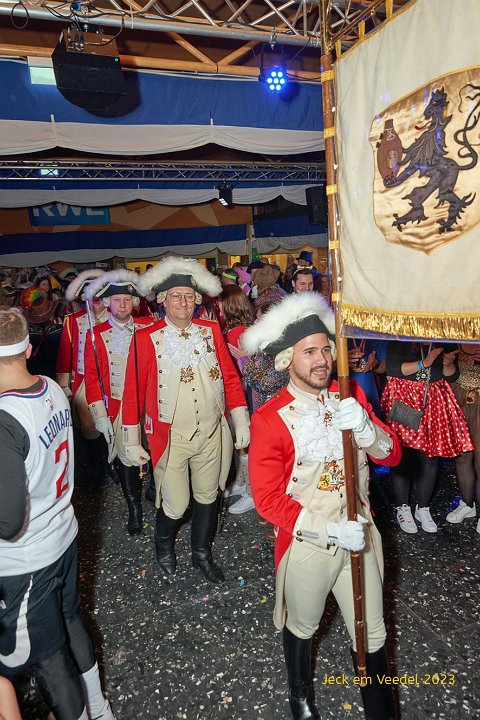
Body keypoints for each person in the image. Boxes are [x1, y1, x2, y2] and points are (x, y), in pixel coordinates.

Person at [242, 292, 401, 720]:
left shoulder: (351, 396)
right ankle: (300, 697)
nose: (322, 359)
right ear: (287, 360)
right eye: (309, 351)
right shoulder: (269, 418)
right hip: (308, 544)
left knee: (373, 634)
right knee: (302, 626)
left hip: (360, 535)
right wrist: (329, 531)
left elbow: (391, 456)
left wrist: (366, 428)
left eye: (326, 349)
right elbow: (267, 500)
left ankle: (381, 710)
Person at [0, 308, 113, 720]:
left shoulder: (4, 418)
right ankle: (99, 709)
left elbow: (8, 521)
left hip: (26, 559)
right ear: (28, 349)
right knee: (71, 620)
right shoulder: (48, 386)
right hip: (62, 533)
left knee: (47, 661)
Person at [121, 256, 249, 583]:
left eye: (189, 296)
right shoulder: (146, 337)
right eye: (176, 296)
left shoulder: (210, 330)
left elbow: (230, 378)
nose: (182, 302)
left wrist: (241, 419)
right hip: (172, 437)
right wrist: (131, 440)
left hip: (211, 433)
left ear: (197, 300)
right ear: (163, 300)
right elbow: (132, 391)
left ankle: (201, 554)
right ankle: (162, 544)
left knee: (208, 497)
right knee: (176, 504)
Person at [84, 270, 152, 535]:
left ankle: (155, 489)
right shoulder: (97, 334)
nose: (122, 305)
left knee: (157, 449)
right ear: (107, 303)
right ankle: (134, 509)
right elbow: (92, 378)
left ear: (133, 302)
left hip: (150, 401)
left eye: (126, 299)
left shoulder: (148, 326)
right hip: (120, 407)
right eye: (116, 300)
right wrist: (99, 414)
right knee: (126, 458)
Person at [381, 342, 474, 533]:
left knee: (430, 457)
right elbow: (392, 369)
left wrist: (448, 364)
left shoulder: (442, 340)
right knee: (403, 455)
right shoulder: (401, 337)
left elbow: (451, 376)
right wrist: (425, 363)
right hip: (405, 395)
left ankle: (423, 508)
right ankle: (403, 508)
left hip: (434, 398)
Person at [56, 270, 111, 491]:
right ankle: (97, 467)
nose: (95, 299)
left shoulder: (117, 316)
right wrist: (64, 386)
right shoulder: (73, 321)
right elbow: (64, 355)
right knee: (89, 426)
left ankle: (113, 463)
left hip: (112, 382)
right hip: (83, 381)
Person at [220, 285, 256, 514]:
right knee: (241, 443)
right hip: (243, 392)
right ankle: (243, 483)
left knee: (246, 442)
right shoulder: (247, 329)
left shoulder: (235, 334)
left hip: (244, 393)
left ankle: (251, 492)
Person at [446, 343, 480, 531]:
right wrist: (448, 364)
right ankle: (467, 504)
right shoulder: (456, 333)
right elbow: (448, 372)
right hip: (459, 398)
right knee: (462, 456)